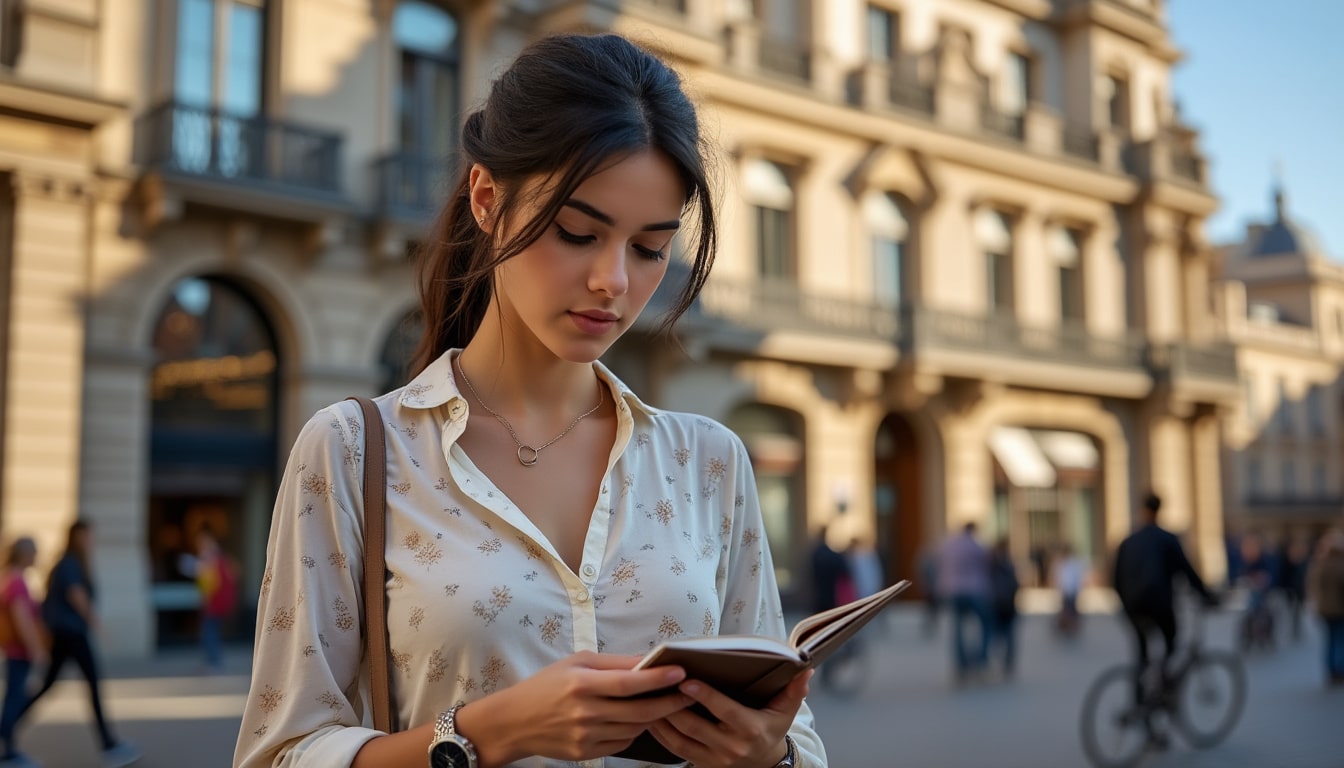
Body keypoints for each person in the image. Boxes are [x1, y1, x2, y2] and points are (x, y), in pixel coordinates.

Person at [233, 33, 825, 768]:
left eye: (648, 249)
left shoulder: (708, 461)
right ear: (487, 199)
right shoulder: (354, 451)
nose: (613, 280)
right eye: (578, 232)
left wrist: (770, 755)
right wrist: (488, 733)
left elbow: (795, 740)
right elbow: (282, 753)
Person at [21, 520, 140, 767]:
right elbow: (77, 596)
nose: (92, 540)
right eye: (88, 535)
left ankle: (7, 725)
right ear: (78, 537)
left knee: (48, 685)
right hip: (72, 633)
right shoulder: (72, 564)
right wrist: (96, 623)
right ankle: (109, 745)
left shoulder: (66, 563)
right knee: (92, 685)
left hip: (65, 633)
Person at [1111, 493, 1218, 749]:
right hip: (1159, 605)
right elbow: (1187, 571)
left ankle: (1142, 705)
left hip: (1132, 607)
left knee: (1142, 656)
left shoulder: (1127, 541)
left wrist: (1126, 606)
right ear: (1159, 511)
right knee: (1170, 643)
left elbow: (1115, 577)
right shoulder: (1167, 539)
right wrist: (1208, 596)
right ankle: (1162, 693)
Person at [0, 538, 48, 768]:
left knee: (14, 698)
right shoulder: (17, 581)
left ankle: (8, 748)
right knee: (15, 699)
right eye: (35, 551)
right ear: (24, 554)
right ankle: (7, 751)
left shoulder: (10, 577)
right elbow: (23, 621)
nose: (37, 556)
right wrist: (37, 649)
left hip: (15, 651)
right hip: (19, 652)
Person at [937, 521, 990, 682]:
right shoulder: (976, 546)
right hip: (973, 589)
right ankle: (980, 660)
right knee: (986, 624)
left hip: (953, 590)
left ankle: (961, 664)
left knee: (958, 628)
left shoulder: (950, 545)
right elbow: (985, 566)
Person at [191, 527, 238, 673]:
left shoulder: (209, 558)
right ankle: (213, 660)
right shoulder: (223, 559)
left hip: (213, 602)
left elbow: (209, 583)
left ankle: (213, 661)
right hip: (219, 601)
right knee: (211, 631)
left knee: (209, 631)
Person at [1307, 528, 1344, 687]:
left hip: (1324, 609)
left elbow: (1313, 586)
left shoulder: (1320, 563)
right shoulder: (1340, 565)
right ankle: (1339, 670)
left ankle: (1330, 670)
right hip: (1339, 608)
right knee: (1339, 640)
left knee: (1329, 640)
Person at [987, 538, 1019, 678]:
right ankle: (1005, 662)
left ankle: (1000, 661)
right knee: (1007, 635)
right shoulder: (1005, 564)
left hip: (997, 603)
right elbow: (1014, 584)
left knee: (998, 635)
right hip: (1005, 603)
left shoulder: (992, 565)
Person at [1277, 533, 1311, 643]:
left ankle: (1296, 629)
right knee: (1288, 610)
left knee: (1297, 611)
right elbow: (1282, 576)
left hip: (1298, 590)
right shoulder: (1285, 561)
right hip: (1289, 590)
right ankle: (1290, 629)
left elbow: (1304, 576)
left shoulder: (1302, 562)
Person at [1052, 543, 1085, 638]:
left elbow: (1078, 577)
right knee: (1066, 610)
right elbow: (1058, 577)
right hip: (1066, 591)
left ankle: (1072, 628)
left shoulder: (1073, 563)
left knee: (1072, 610)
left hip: (1072, 591)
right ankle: (1067, 628)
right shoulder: (1062, 563)